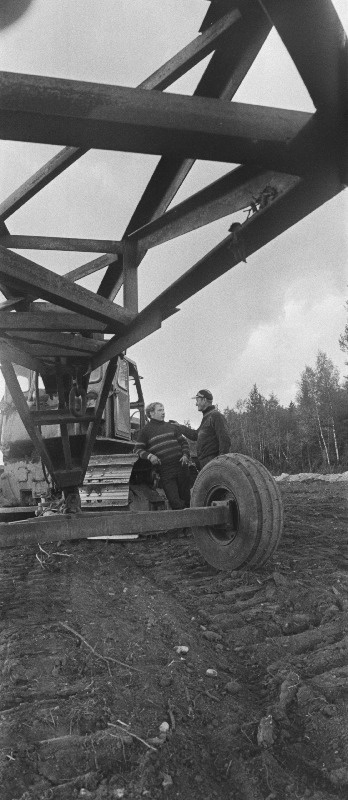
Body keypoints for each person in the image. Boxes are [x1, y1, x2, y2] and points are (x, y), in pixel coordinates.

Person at [134, 401, 191, 509]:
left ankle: (189, 524)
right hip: (165, 470)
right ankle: (181, 524)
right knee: (175, 501)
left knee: (186, 499)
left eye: (163, 410)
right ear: (151, 413)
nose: (163, 412)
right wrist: (150, 456)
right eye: (160, 410)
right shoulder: (145, 431)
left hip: (181, 466)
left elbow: (184, 443)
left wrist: (185, 455)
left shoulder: (171, 426)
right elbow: (137, 449)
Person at [174, 389, 231, 469]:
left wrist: (221, 461)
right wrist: (180, 427)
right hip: (205, 461)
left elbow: (225, 439)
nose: (196, 404)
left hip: (213, 461)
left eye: (197, 400)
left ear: (204, 400)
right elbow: (195, 435)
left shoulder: (215, 415)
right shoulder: (206, 417)